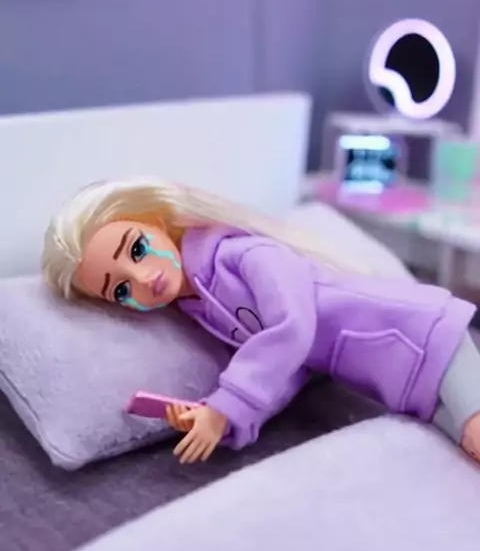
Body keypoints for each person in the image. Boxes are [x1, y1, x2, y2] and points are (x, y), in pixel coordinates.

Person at [42, 177, 480, 465]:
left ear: (155, 221)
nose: (141, 279)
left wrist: (224, 406)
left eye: (137, 249)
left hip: (426, 336)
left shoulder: (242, 255)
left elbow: (293, 329)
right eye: (120, 289)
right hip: (405, 386)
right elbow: (290, 369)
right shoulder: (202, 308)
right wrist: (222, 418)